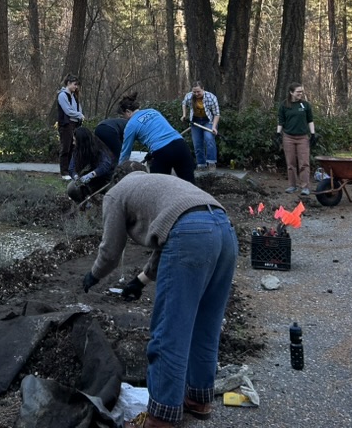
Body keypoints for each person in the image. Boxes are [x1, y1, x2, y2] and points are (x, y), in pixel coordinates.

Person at [81, 168, 237, 428]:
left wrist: (94, 274)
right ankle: (199, 400)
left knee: (169, 331)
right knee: (205, 325)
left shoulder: (115, 194)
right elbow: (170, 236)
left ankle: (160, 417)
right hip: (224, 229)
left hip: (191, 235)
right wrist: (140, 281)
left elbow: (110, 251)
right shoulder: (161, 184)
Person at [118, 92, 196, 184]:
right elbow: (160, 131)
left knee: (158, 187)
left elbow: (125, 152)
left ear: (128, 111)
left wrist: (119, 170)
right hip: (180, 145)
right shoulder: (153, 111)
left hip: (162, 151)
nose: (124, 118)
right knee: (189, 184)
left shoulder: (131, 125)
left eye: (123, 115)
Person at [276, 82, 315, 195]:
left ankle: (305, 187)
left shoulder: (305, 105)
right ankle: (292, 186)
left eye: (301, 92)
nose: (300, 94)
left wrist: (313, 134)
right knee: (291, 163)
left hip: (303, 137)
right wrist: (278, 134)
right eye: (298, 92)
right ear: (291, 92)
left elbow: (310, 120)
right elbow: (281, 121)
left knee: (304, 163)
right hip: (288, 137)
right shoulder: (284, 105)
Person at [65, 126, 117, 203]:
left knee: (114, 195)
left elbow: (105, 165)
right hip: (89, 182)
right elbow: (71, 168)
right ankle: (83, 204)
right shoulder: (77, 151)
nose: (73, 143)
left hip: (106, 180)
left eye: (75, 141)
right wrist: (75, 176)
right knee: (71, 188)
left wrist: (91, 175)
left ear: (82, 142)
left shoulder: (99, 148)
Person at [180, 81, 220, 171]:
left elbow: (217, 114)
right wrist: (184, 115)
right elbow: (184, 104)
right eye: (194, 92)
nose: (196, 94)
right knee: (197, 143)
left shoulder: (211, 97)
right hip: (195, 121)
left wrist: (214, 127)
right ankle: (201, 164)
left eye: (198, 91)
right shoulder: (189, 96)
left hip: (209, 121)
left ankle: (211, 163)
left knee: (209, 138)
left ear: (203, 89)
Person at [56, 74, 84, 177]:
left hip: (74, 124)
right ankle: (64, 172)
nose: (76, 87)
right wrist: (79, 115)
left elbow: (78, 108)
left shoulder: (74, 96)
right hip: (66, 124)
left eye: (77, 85)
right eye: (74, 84)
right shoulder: (62, 95)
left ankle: (71, 170)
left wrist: (80, 117)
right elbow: (68, 111)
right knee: (66, 148)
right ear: (68, 83)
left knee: (73, 147)